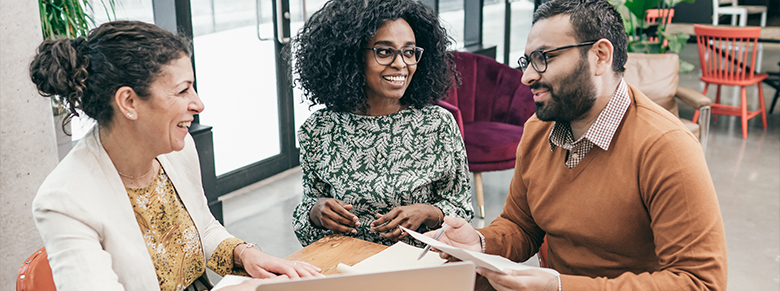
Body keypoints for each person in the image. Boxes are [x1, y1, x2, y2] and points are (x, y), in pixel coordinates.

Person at [428, 0, 728, 290]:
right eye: (528, 61)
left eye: (544, 57)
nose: (528, 77)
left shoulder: (667, 148)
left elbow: (700, 282)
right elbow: (521, 225)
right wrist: (480, 242)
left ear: (599, 56)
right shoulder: (537, 131)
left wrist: (561, 286)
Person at [30, 21, 321, 291]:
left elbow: (202, 227)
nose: (198, 104)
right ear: (129, 102)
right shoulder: (65, 201)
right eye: (183, 90)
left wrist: (245, 254)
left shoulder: (175, 151)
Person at [290, 0, 474, 247]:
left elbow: (461, 209)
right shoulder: (319, 130)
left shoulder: (438, 125)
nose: (401, 64)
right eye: (385, 51)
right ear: (351, 56)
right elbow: (305, 222)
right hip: (345, 267)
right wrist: (316, 212)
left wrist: (429, 213)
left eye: (409, 52)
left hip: (416, 269)